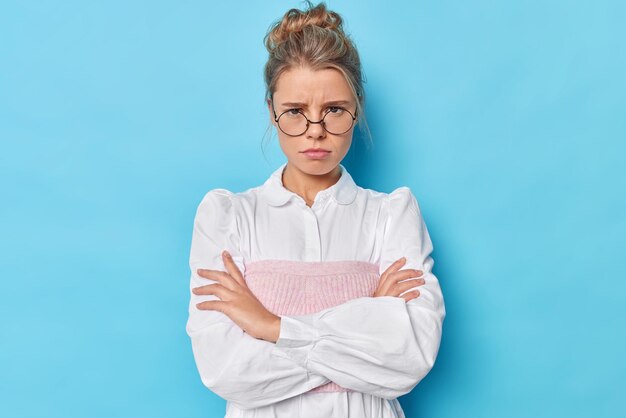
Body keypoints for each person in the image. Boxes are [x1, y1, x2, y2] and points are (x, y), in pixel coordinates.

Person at [185, 1, 446, 417]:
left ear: (356, 109)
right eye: (295, 112)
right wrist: (367, 322)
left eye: (334, 110)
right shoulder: (228, 216)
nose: (316, 131)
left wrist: (271, 327)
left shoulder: (392, 215)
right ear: (272, 112)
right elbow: (226, 371)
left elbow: (408, 361)